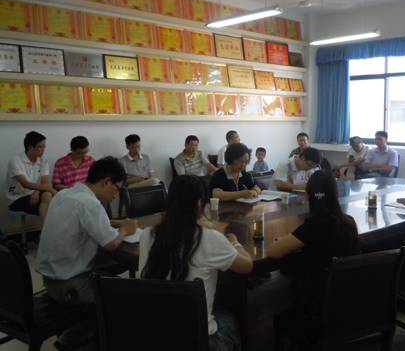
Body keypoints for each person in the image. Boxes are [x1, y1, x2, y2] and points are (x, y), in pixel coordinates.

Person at [139, 175, 253, 351]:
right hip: (197, 339)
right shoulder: (208, 238)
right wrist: (235, 243)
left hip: (155, 333)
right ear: (200, 204)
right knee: (230, 318)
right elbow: (247, 266)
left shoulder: (147, 234)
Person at [36, 157, 137, 349]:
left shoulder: (65, 194)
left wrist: (116, 223)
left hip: (50, 278)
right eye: (116, 189)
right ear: (106, 182)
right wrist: (126, 229)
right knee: (124, 294)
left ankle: (83, 327)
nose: (115, 195)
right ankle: (74, 338)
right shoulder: (91, 204)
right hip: (69, 286)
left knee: (113, 266)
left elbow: (87, 221)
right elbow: (111, 243)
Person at [267, 171, 360, 343]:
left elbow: (273, 251)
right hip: (348, 299)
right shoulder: (349, 222)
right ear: (336, 193)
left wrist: (283, 239)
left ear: (309, 196)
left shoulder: (314, 225)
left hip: (317, 305)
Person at [6, 131, 56, 219]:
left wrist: (36, 192)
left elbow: (44, 183)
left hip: (34, 193)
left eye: (44, 147)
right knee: (52, 203)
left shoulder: (43, 160)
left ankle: (46, 227)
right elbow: (25, 184)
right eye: (40, 147)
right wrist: (53, 191)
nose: (43, 149)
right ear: (30, 147)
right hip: (17, 197)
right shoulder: (15, 160)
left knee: (48, 196)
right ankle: (48, 226)